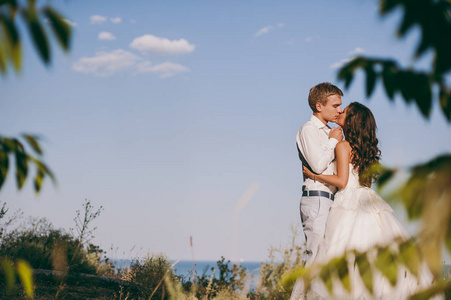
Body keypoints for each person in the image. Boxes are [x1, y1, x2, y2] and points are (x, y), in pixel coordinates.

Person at [292, 102, 442, 299]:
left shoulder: (343, 145)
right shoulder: (365, 149)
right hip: (366, 198)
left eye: (344, 112)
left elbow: (342, 181)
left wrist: (314, 175)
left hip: (347, 201)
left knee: (338, 249)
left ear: (352, 120)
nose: (340, 113)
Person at [295, 82, 343, 266]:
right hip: (317, 198)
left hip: (330, 198)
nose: (339, 110)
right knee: (315, 258)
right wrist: (332, 142)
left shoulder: (329, 132)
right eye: (335, 105)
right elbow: (317, 165)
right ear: (319, 106)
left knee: (325, 259)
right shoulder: (309, 129)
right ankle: (299, 296)